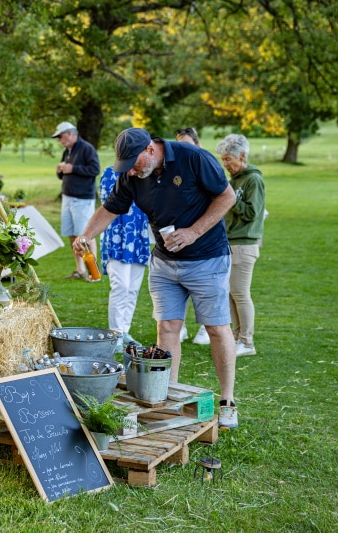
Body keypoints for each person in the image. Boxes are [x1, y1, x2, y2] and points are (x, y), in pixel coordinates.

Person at [73, 127, 240, 429]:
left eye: (134, 164)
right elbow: (111, 208)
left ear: (150, 150)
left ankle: (227, 401)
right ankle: (168, 397)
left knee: (216, 328)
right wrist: (86, 235)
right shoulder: (132, 175)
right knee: (167, 327)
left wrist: (193, 232)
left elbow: (227, 197)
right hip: (164, 262)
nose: (132, 172)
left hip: (207, 258)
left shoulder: (193, 158)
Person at [216, 134, 266, 358]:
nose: (225, 164)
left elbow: (253, 213)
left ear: (242, 156)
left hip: (245, 243)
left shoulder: (252, 179)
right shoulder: (234, 180)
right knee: (230, 293)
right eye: (223, 159)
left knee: (240, 293)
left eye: (229, 159)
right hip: (231, 241)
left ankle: (247, 341)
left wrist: (231, 199)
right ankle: (237, 338)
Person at [99, 166, 151, 346]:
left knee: (133, 288)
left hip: (138, 235)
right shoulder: (111, 173)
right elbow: (107, 206)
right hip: (118, 235)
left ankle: (125, 331)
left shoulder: (146, 173)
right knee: (121, 286)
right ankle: (115, 334)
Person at [174, 127, 209, 345]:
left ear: (197, 145)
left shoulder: (206, 165)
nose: (183, 149)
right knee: (178, 283)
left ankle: (206, 327)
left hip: (203, 238)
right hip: (178, 235)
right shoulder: (175, 169)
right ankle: (181, 326)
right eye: (180, 145)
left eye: (187, 144)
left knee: (204, 285)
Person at [53, 121, 101, 281]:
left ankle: (93, 272)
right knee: (72, 234)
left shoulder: (87, 148)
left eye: (60, 136)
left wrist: (72, 168)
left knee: (86, 235)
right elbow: (64, 174)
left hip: (82, 199)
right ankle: (80, 269)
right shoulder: (68, 150)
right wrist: (60, 171)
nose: (59, 140)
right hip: (67, 197)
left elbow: (95, 169)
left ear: (70, 134)